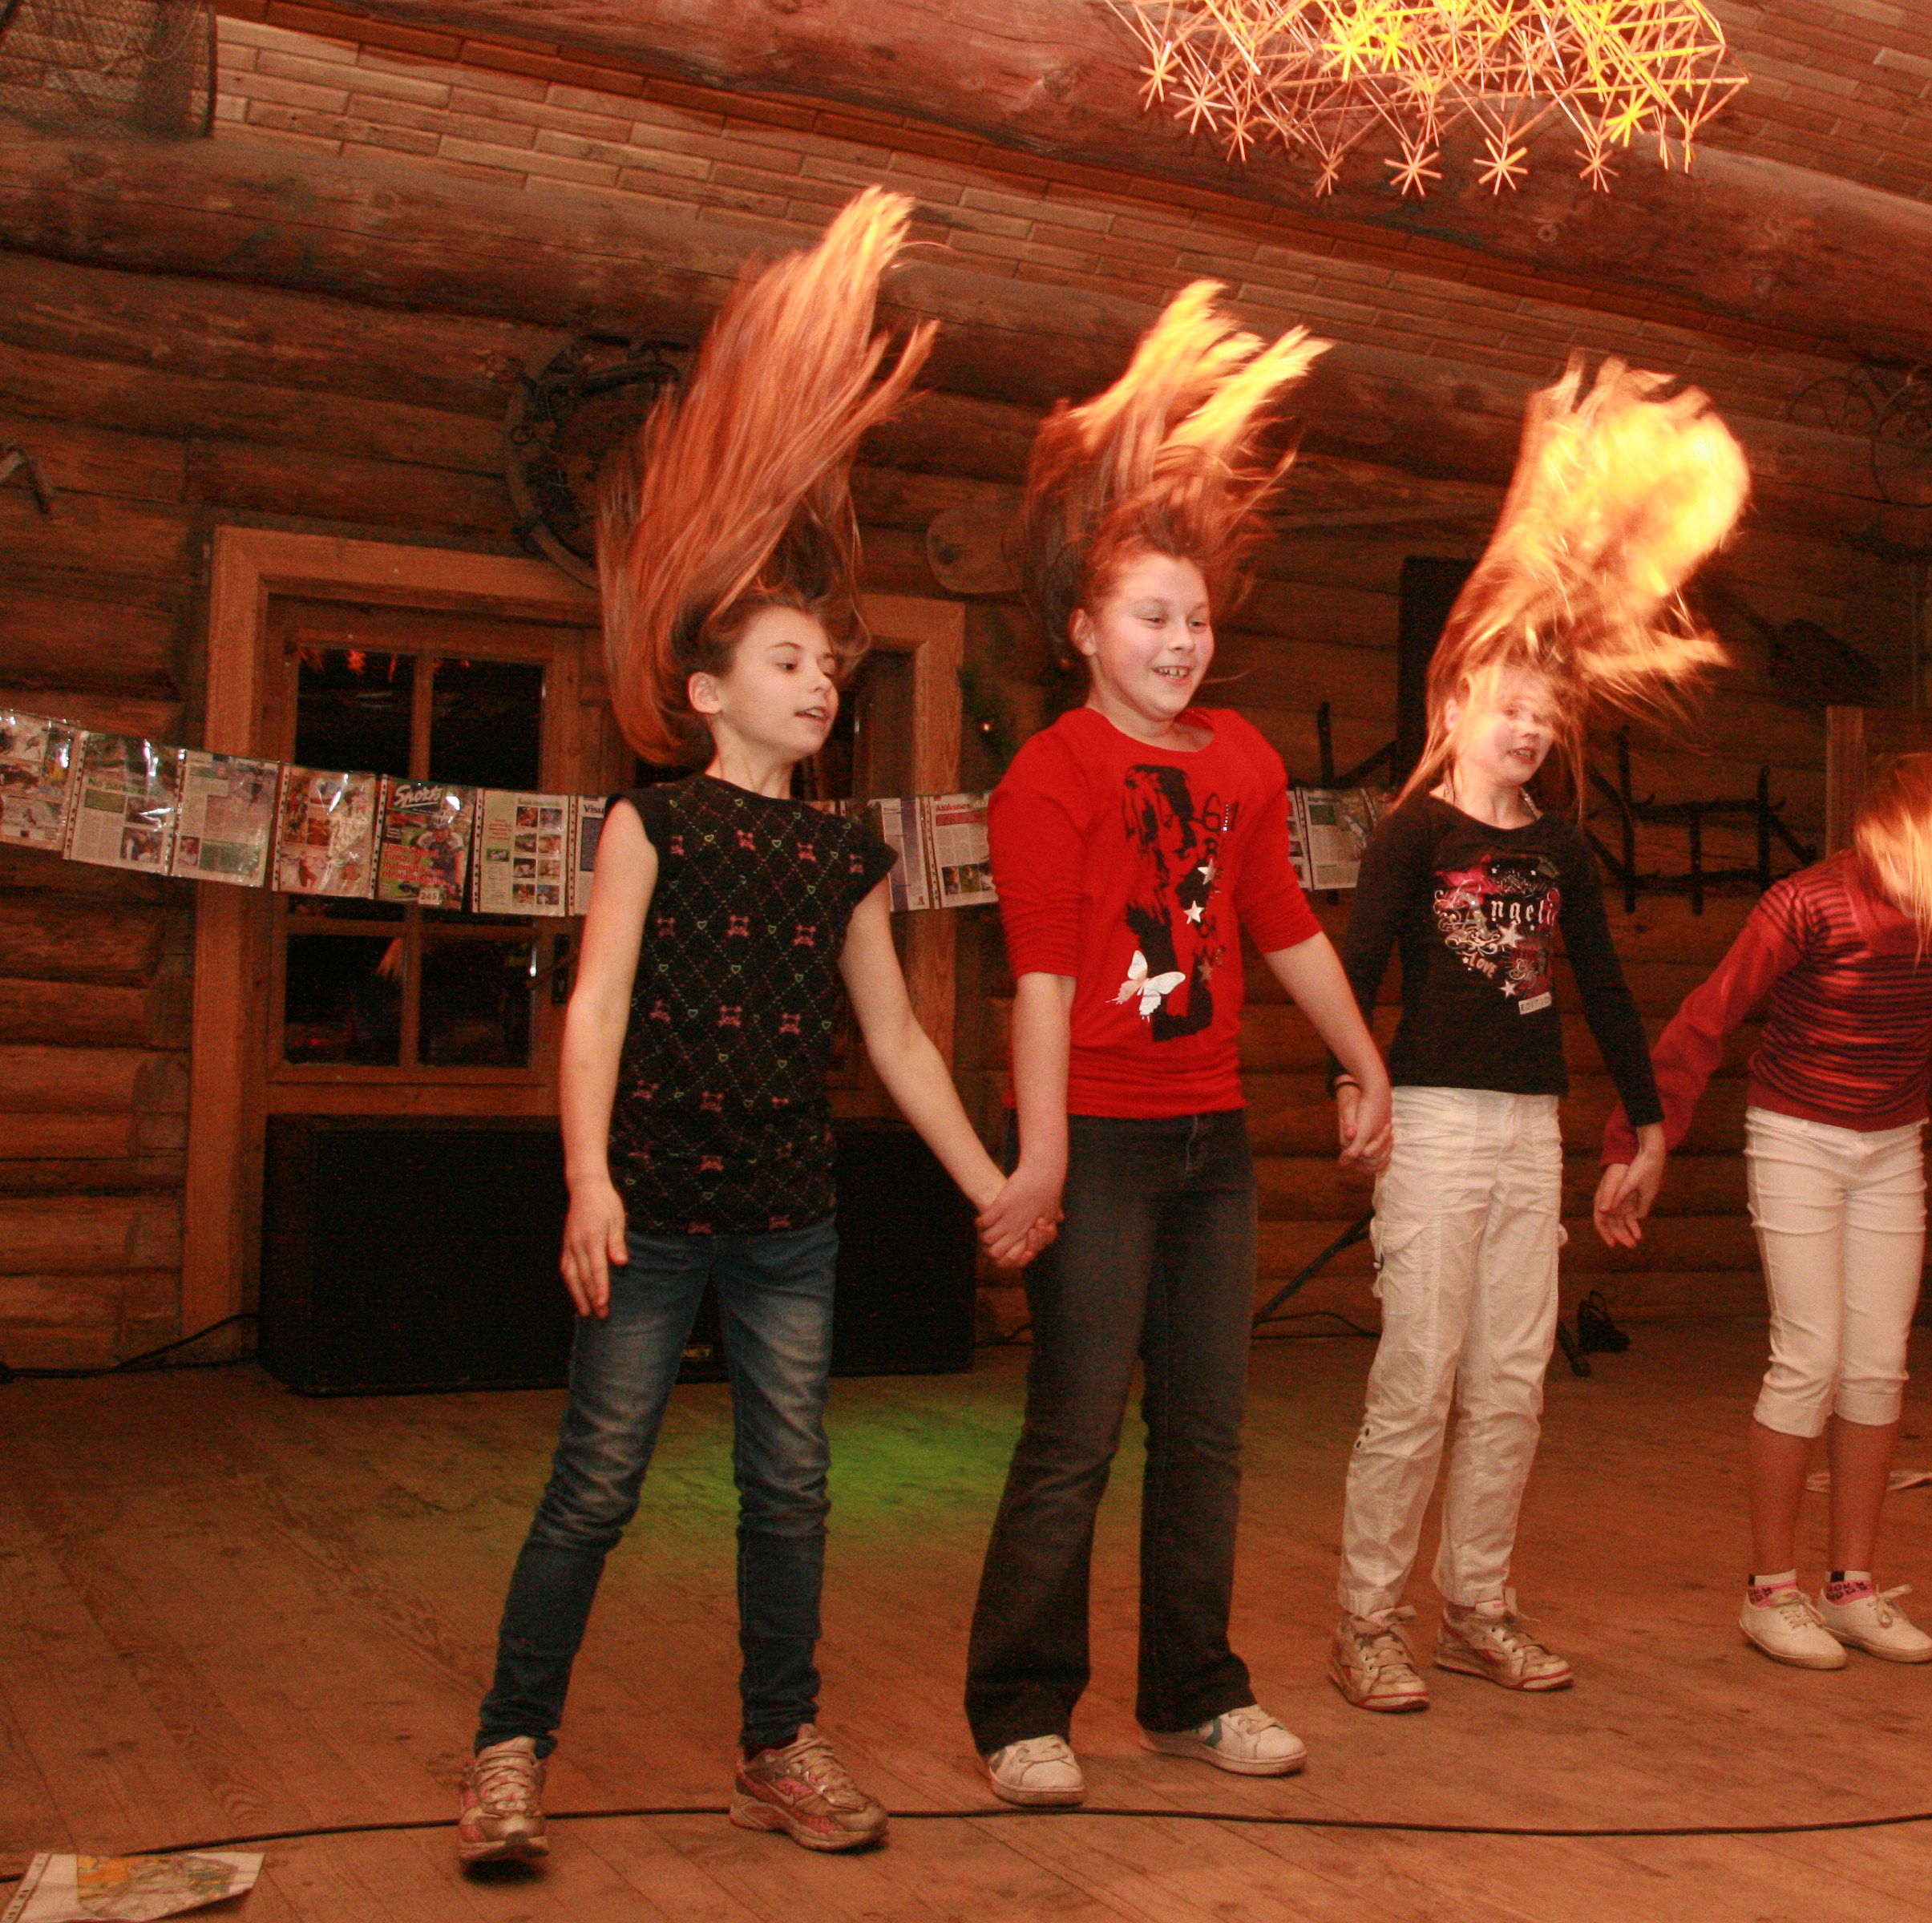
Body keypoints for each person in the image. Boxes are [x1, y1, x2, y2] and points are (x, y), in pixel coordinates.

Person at [459, 192, 1014, 1865]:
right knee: (596, 1484)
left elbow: (898, 1041)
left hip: (788, 1226)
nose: (819, 680)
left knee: (792, 1489)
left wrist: (989, 1180)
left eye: (828, 665)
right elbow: (597, 1007)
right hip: (650, 1214)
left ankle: (779, 1749)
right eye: (787, 661)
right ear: (707, 692)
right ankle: (507, 1753)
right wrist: (586, 1181)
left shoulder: (844, 853)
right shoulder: (654, 823)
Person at [965, 284, 1396, 1807]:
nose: (1181, 642)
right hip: (1098, 1139)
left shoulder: (1245, 762)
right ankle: (1022, 1710)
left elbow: (1281, 926)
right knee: (1075, 1434)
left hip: (1213, 1142)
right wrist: (1041, 1156)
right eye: (1152, 618)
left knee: (1205, 1435)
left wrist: (1364, 1061)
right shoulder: (1049, 775)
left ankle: (1192, 1693)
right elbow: (1038, 979)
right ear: (1085, 632)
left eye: (1197, 619)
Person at [1326, 360, 1745, 1714]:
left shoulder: (1560, 846)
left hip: (1528, 1132)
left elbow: (1607, 991)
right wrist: (1353, 1085)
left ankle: (1477, 1607)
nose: (1525, 724)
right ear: (1453, 708)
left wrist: (1647, 1126)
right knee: (1418, 1378)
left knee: (1512, 1382)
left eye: (1542, 711)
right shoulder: (1412, 833)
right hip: (1435, 1126)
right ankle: (1366, 1621)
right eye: (1504, 704)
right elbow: (1355, 971)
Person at [1595, 751, 1932, 1670]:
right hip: (1797, 1138)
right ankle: (1770, 1593)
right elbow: (1706, 1019)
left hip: (1892, 1144)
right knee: (1808, 1357)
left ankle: (1851, 1588)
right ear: (1878, 840)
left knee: (1877, 1366)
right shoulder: (1806, 903)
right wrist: (1638, 1140)